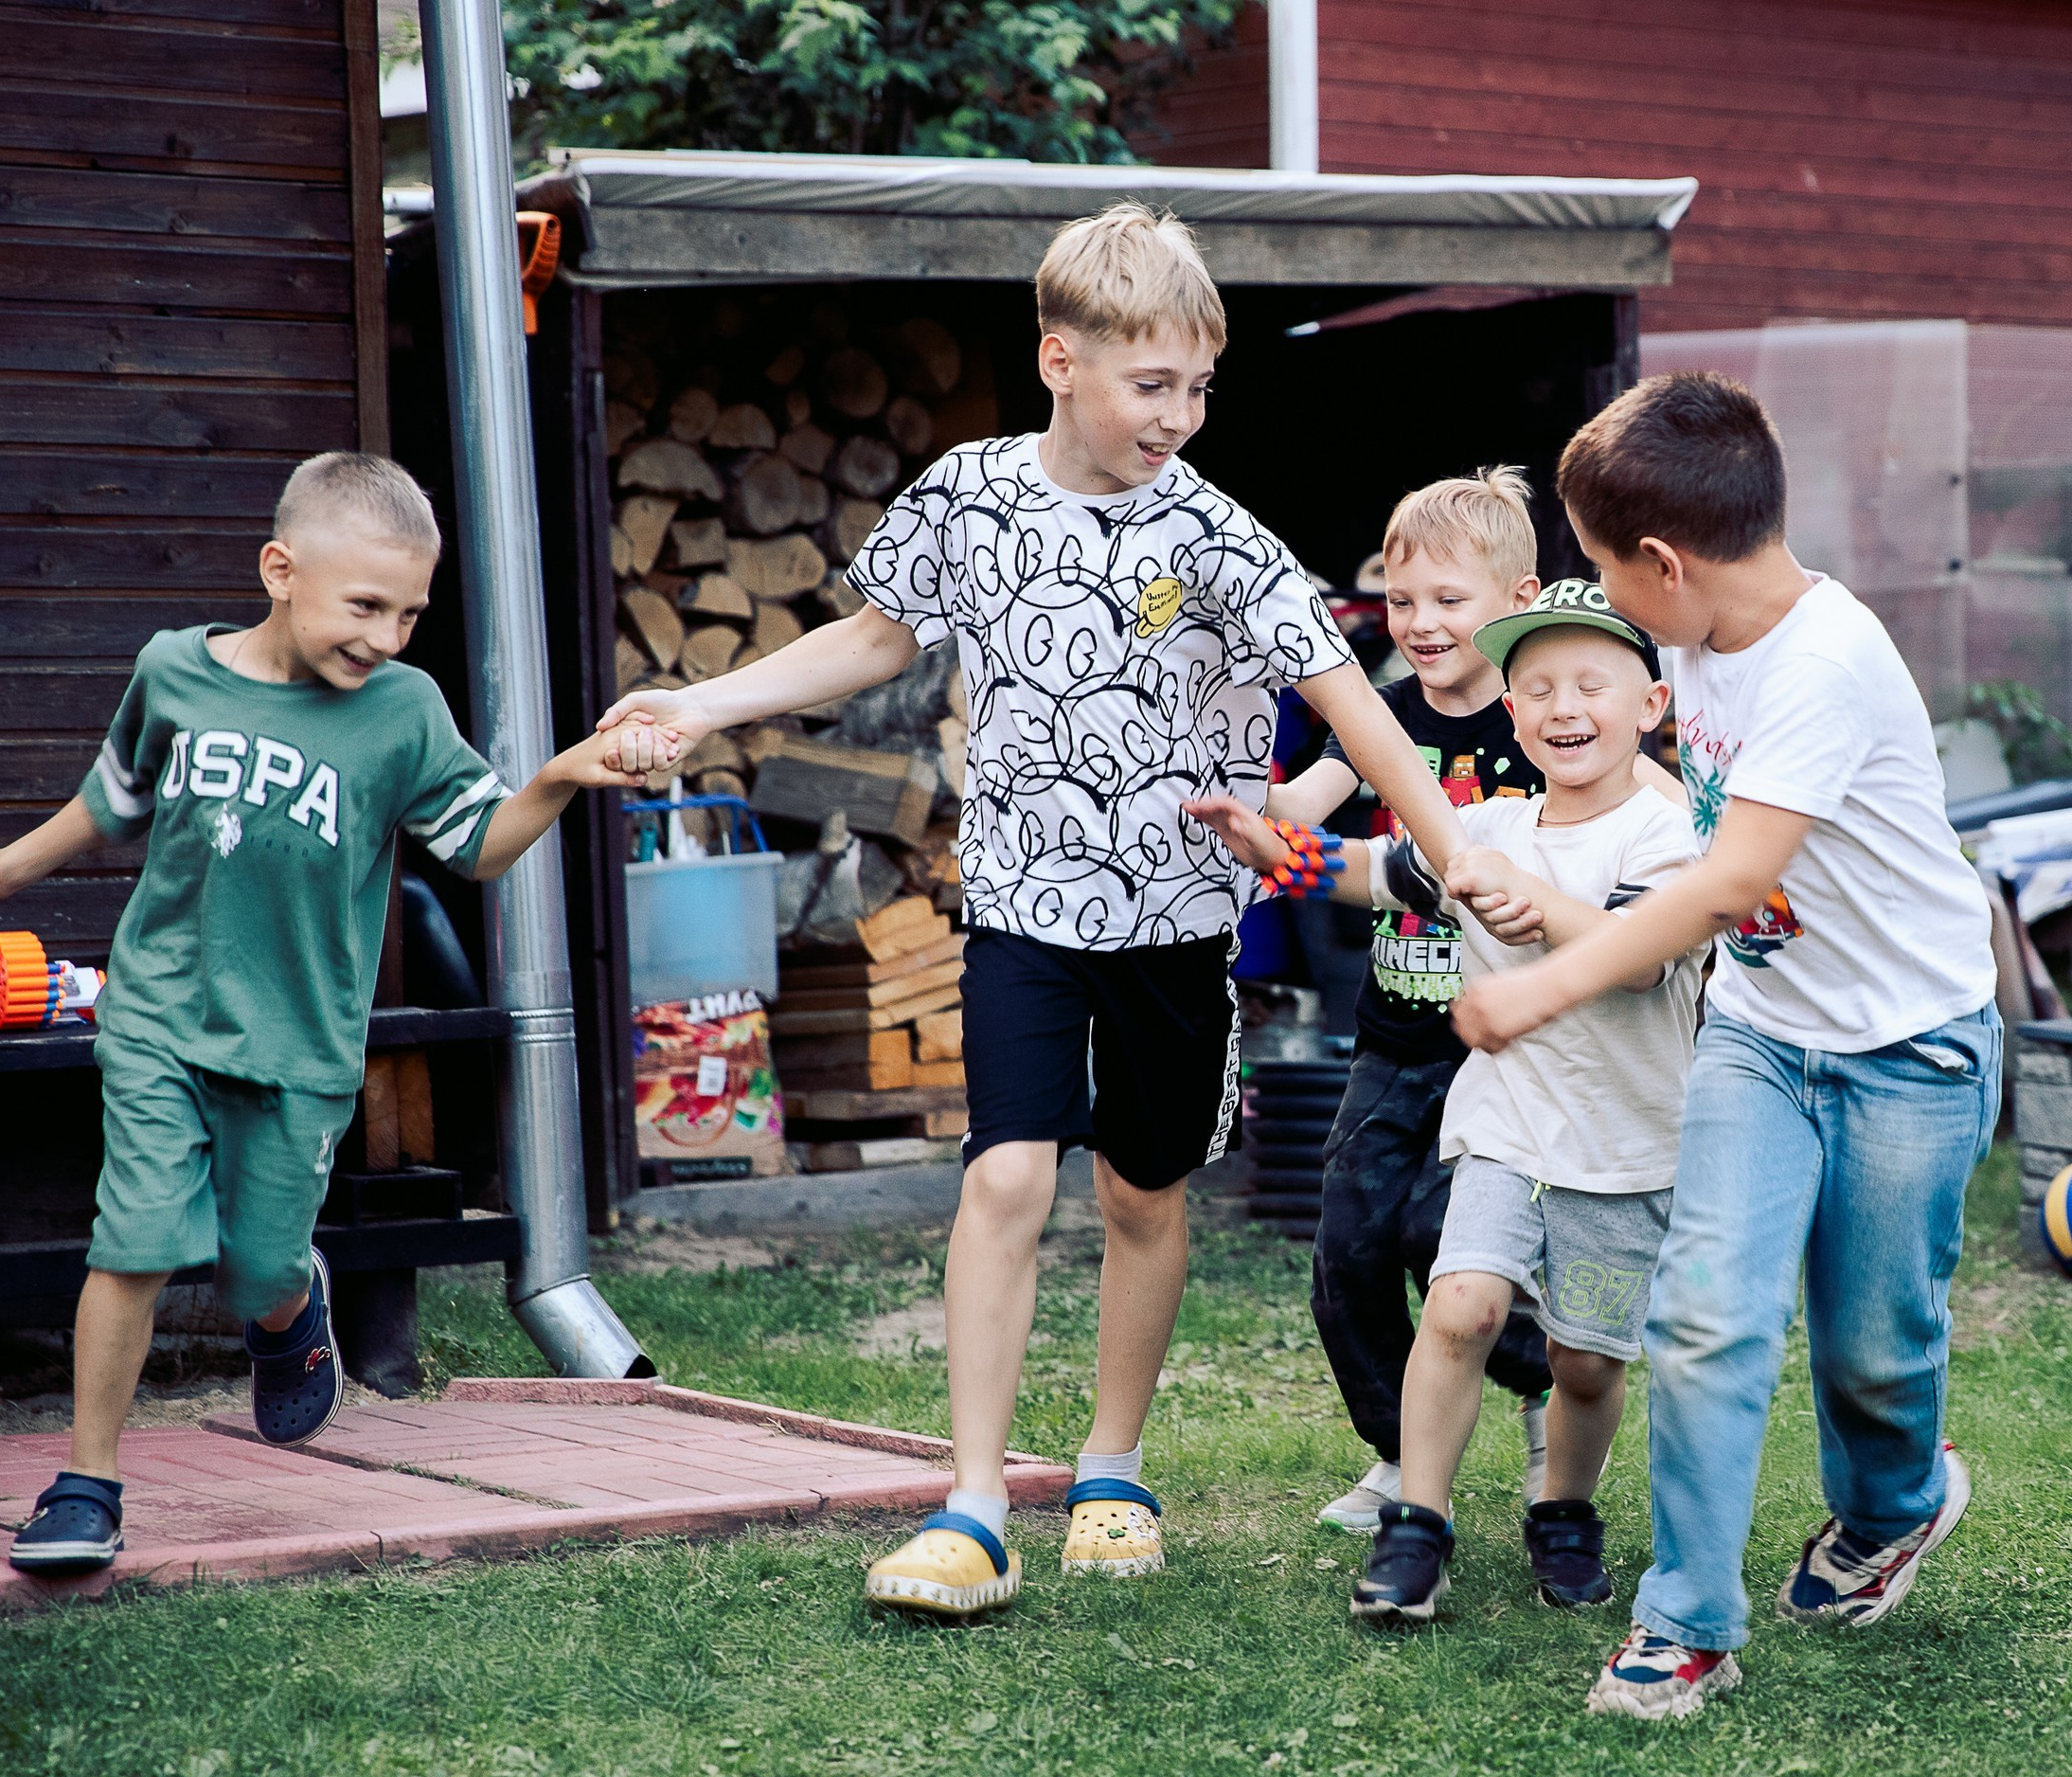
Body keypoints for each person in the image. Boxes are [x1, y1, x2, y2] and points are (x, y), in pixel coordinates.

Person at [599, 201, 1469, 1616]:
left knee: (1142, 1188)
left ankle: (1112, 1466)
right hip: (1019, 907)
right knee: (1006, 1172)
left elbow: (1349, 704)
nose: (1178, 415)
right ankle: (975, 1500)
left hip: (1180, 922)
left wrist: (1453, 847)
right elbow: (877, 635)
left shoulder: (1222, 535)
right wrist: (703, 697)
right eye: (1151, 385)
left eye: (1197, 386)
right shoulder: (968, 496)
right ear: (1061, 360)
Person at [0, 451, 643, 1575]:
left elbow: (479, 843)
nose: (388, 637)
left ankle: (287, 1306)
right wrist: (10, 868)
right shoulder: (173, 670)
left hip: (301, 1047)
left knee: (255, 1266)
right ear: (279, 568)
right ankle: (86, 1482)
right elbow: (111, 798)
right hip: (160, 1014)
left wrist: (555, 776)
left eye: (410, 612)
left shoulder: (403, 711)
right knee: (138, 1240)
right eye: (365, 606)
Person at [1447, 372, 2002, 1721]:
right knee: (1704, 1319)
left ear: (1667, 564)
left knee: (1875, 1348)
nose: (1602, 598)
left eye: (1601, 572)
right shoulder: (1692, 637)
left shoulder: (1826, 662)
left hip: (1907, 1049)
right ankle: (1686, 1624)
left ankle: (1898, 1504)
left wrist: (1548, 984)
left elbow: (1719, 886)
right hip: (1760, 1037)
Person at [1198, 579, 1699, 1618]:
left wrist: (1543, 908)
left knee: (1586, 1358)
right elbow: (1374, 870)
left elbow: (1643, 959)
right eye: (1539, 688)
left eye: (1591, 685)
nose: (1565, 708)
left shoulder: (1667, 839)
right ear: (1510, 713)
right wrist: (1274, 850)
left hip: (1627, 1146)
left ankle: (1563, 1511)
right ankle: (1414, 1525)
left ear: (1649, 707)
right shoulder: (1486, 833)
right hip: (1505, 1125)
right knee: (1463, 1305)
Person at [1262, 470, 1561, 1535]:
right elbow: (1303, 805)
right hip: (1389, 1042)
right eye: (1400, 600)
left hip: (1502, 1047)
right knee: (1345, 1248)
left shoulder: (1543, 722)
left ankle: (1543, 1376)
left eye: (1448, 600)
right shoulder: (1382, 716)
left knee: (1445, 1243)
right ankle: (1398, 1452)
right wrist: (1250, 804)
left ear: (1515, 596)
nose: (1420, 624)